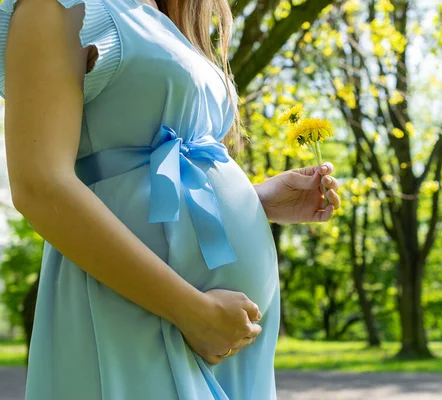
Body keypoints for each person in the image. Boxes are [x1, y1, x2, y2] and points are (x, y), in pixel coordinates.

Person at [0, 0, 342, 398]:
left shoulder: (160, 15)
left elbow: (152, 176)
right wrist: (193, 312)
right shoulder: (62, 6)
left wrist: (255, 202)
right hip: (142, 312)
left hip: (219, 333)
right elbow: (42, 186)